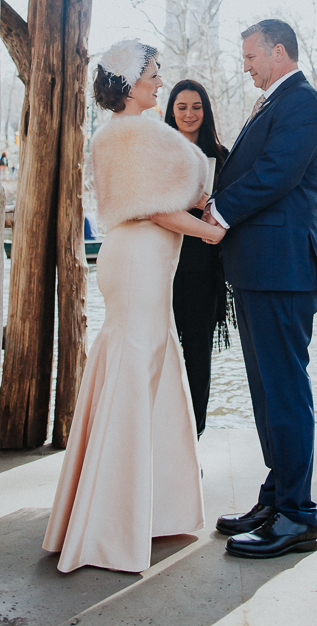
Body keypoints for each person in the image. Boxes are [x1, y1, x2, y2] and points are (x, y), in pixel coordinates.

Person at [42, 39, 226, 574]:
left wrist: (191, 210)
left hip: (134, 259)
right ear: (128, 83)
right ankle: (112, 521)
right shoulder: (139, 133)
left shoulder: (113, 133)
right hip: (143, 257)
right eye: (152, 73)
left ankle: (136, 509)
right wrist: (209, 234)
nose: (159, 81)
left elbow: (159, 199)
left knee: (143, 363)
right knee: (139, 362)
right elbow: (157, 211)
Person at [203, 19, 317, 559]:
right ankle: (276, 498)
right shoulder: (272, 103)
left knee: (284, 393)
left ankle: (298, 517)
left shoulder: (302, 103)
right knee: (265, 394)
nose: (246, 65)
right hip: (259, 271)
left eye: (251, 56)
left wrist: (219, 209)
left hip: (283, 271)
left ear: (279, 51)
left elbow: (277, 173)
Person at [165, 79, 231, 437]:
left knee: (197, 355)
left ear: (205, 112)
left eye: (196, 107)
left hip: (203, 269)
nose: (189, 114)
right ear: (171, 112)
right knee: (161, 354)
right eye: (181, 107)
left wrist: (209, 208)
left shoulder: (221, 156)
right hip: (161, 266)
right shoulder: (159, 151)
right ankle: (160, 438)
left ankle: (193, 436)